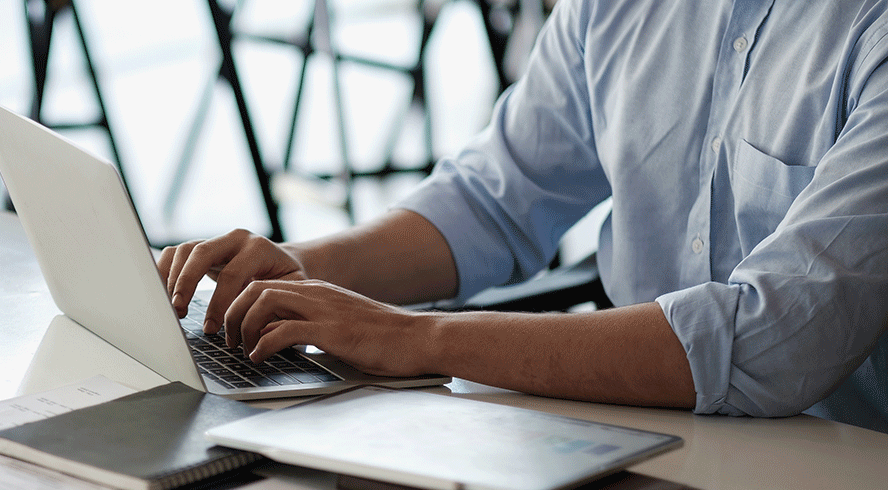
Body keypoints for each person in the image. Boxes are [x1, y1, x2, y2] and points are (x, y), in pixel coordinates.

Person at [157, 0, 888, 433]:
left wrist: (414, 338)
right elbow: (494, 200)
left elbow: (772, 342)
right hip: (634, 428)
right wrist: (302, 273)